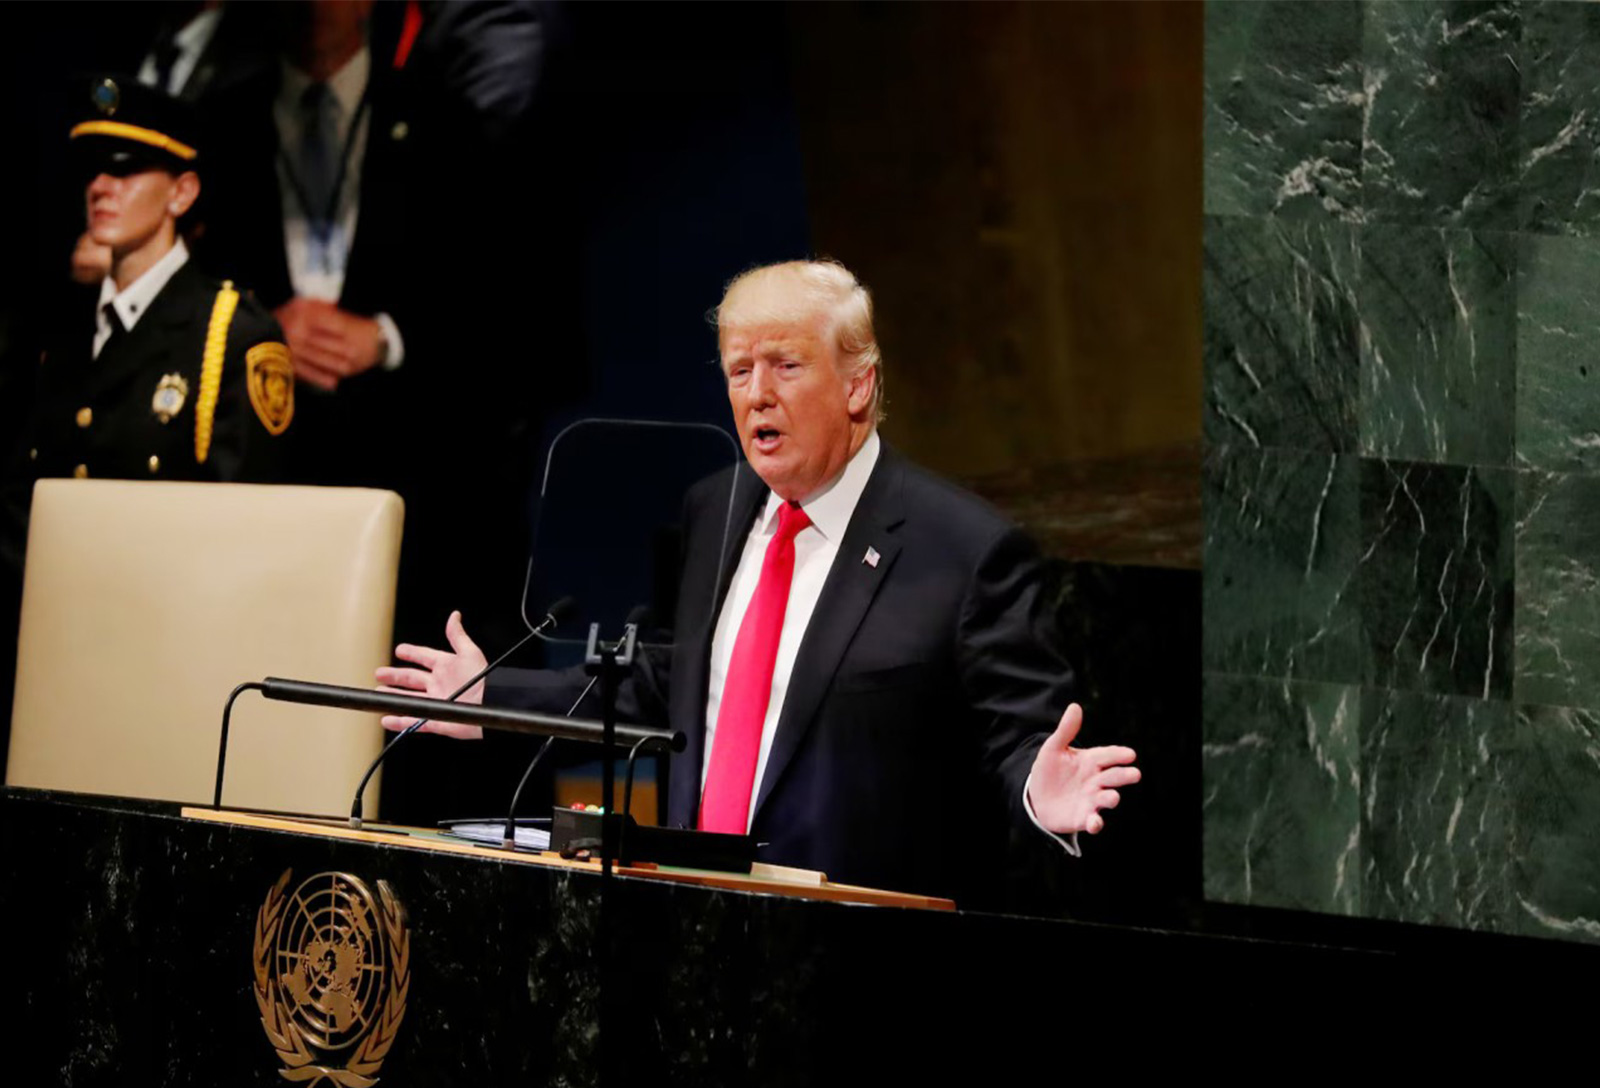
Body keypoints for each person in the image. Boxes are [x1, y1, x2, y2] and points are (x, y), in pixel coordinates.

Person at [377, 261, 1138, 903]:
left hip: (859, 954)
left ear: (858, 387)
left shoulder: (966, 549)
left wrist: (1040, 791)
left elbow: (1017, 735)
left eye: (786, 365)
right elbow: (669, 687)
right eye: (739, 370)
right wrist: (491, 698)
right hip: (698, 933)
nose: (756, 394)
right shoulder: (716, 508)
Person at [22, 75, 294, 488]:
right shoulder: (67, 322)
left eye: (125, 168)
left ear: (181, 194)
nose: (100, 188)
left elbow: (244, 512)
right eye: (94, 170)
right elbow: (21, 495)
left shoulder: (230, 334)